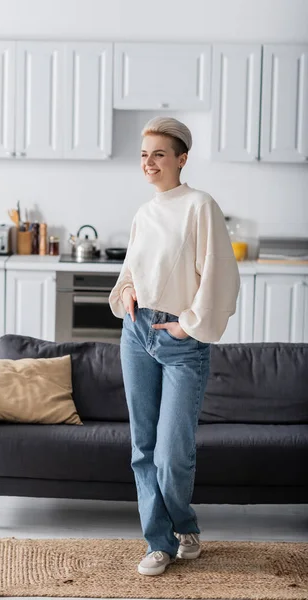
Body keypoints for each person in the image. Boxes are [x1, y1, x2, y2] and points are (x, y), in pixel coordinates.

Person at [108, 116, 240, 577]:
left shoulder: (200, 206)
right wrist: (126, 294)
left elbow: (221, 273)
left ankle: (184, 525)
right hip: (137, 331)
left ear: (182, 159)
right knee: (142, 447)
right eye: (144, 155)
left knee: (171, 451)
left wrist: (189, 325)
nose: (149, 163)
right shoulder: (144, 213)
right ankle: (158, 543)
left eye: (159, 154)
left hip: (180, 340)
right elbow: (129, 272)